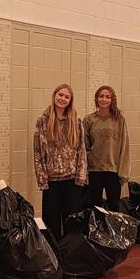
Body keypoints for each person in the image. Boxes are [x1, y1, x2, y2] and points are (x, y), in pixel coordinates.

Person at [34, 84, 88, 240]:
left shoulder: (76, 121)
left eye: (67, 96)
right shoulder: (43, 121)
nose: (63, 98)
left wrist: (81, 177)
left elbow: (82, 151)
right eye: (60, 94)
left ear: (70, 100)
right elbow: (38, 152)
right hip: (51, 181)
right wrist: (42, 180)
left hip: (72, 180)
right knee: (51, 223)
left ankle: (70, 255)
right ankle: (54, 255)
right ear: (54, 95)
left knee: (72, 222)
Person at [83, 86, 130, 212]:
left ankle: (112, 232)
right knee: (96, 207)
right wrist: (84, 171)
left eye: (107, 97)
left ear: (112, 99)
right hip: (94, 170)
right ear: (96, 99)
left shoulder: (119, 119)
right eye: (101, 96)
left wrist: (123, 172)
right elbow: (84, 146)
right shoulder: (89, 119)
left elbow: (124, 146)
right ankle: (97, 231)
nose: (104, 99)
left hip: (113, 169)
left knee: (114, 206)